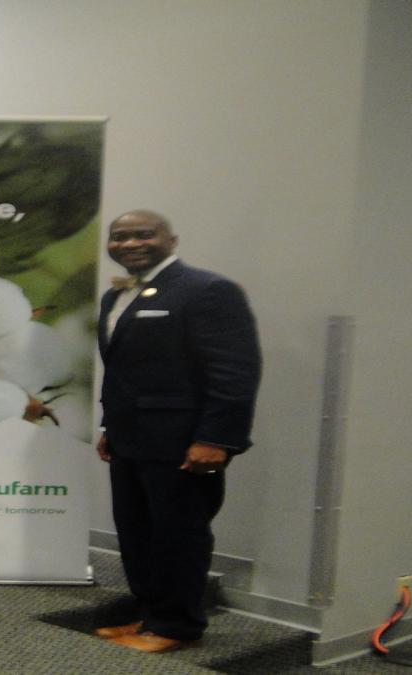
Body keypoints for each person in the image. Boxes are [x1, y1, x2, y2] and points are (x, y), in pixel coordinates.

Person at [93, 210, 261, 653]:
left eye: (143, 235)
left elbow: (234, 372)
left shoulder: (208, 290)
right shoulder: (116, 298)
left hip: (183, 441)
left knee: (177, 535)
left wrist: (217, 439)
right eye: (119, 237)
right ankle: (150, 615)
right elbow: (126, 372)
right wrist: (110, 425)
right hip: (131, 438)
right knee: (136, 532)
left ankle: (177, 626)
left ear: (171, 239)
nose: (129, 243)